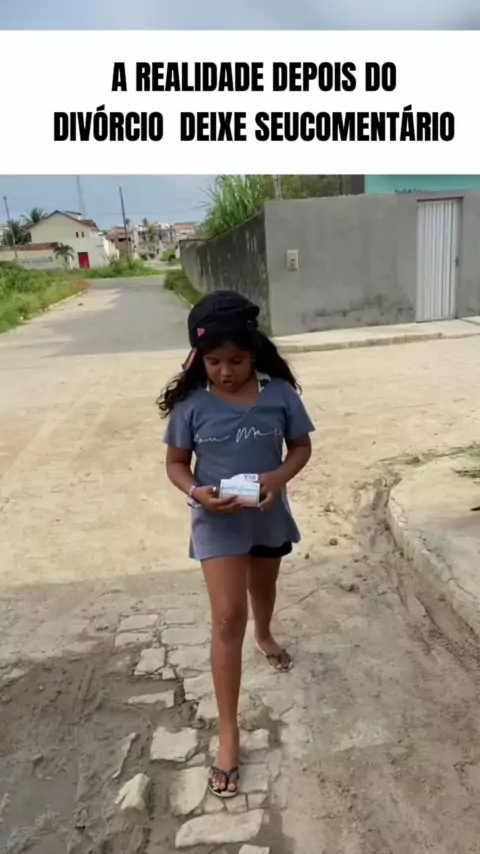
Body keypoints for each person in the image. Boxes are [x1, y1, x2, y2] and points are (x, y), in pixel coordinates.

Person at [157, 290, 314, 799]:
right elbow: (176, 464)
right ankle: (229, 733)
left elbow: (301, 447)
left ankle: (265, 635)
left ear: (255, 353)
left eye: (237, 361)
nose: (226, 372)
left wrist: (277, 478)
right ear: (199, 360)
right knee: (227, 616)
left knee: (262, 592)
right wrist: (196, 492)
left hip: (266, 516)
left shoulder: (280, 395)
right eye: (214, 362)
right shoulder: (192, 405)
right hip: (216, 520)